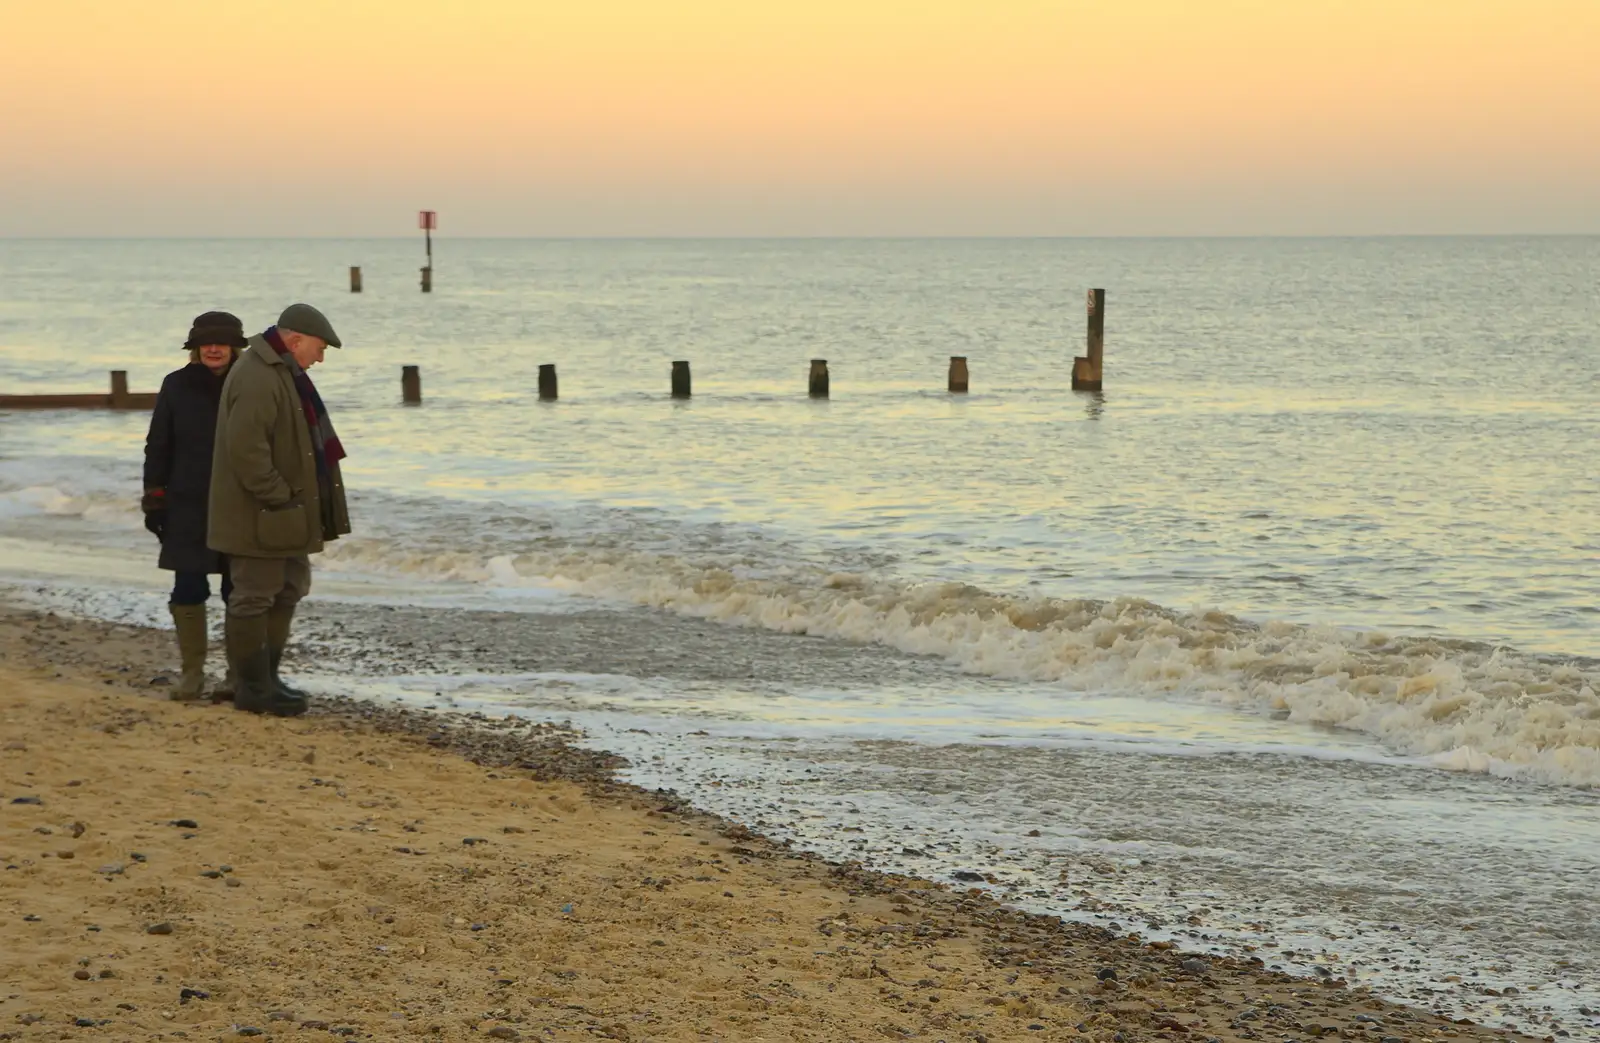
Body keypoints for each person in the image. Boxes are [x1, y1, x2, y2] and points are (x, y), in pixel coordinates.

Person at [208, 303, 351, 717]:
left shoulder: (283, 373)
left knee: (288, 589)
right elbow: (246, 450)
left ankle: (268, 679)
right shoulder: (257, 376)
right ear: (295, 341)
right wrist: (280, 496)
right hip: (261, 514)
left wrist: (296, 503)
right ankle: (252, 687)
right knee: (254, 596)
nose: (320, 359)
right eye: (319, 349)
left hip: (287, 512)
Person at [141, 311, 248, 700]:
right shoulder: (176, 384)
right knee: (187, 586)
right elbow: (158, 443)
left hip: (241, 503)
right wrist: (154, 498)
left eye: (221, 342)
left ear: (235, 347)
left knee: (240, 592)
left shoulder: (250, 383)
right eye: (206, 343)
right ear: (195, 348)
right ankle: (192, 675)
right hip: (186, 504)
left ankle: (238, 676)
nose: (214, 349)